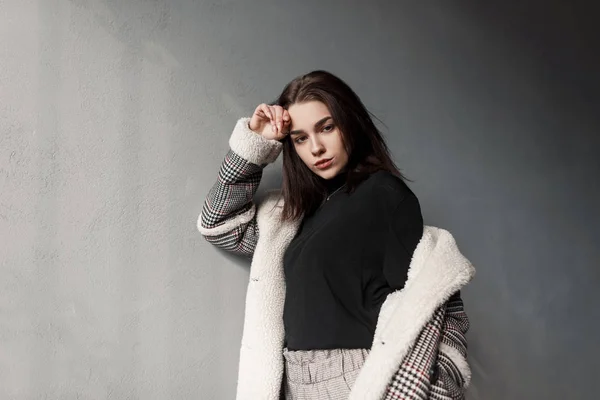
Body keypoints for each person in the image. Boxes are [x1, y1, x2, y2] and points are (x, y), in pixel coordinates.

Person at [198, 70, 475, 400]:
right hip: (292, 381)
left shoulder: (384, 194)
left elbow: (416, 308)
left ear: (350, 123)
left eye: (326, 127)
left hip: (352, 379)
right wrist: (258, 142)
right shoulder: (294, 216)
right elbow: (219, 224)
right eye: (300, 138)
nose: (316, 148)